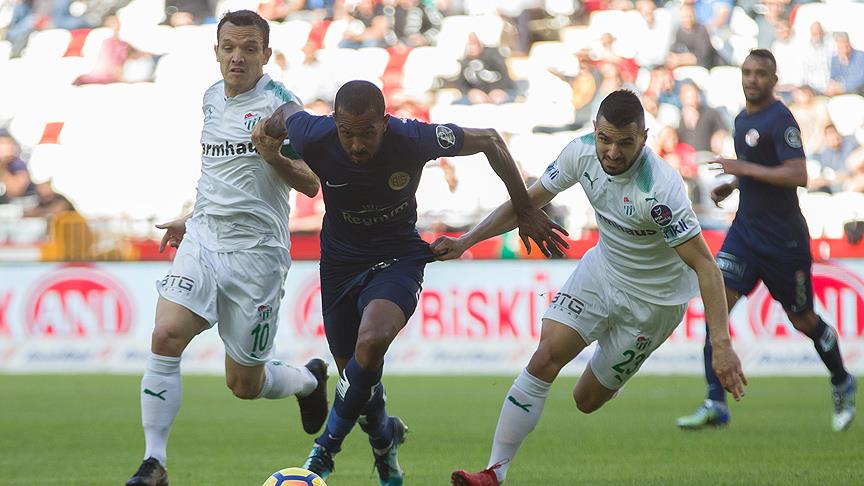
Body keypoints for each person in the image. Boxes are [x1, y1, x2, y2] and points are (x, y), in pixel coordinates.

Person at [252, 79, 565, 485]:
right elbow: (287, 113)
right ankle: (386, 442)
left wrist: (524, 207)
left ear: (384, 123)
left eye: (367, 133)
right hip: (340, 265)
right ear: (335, 124)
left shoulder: (413, 137)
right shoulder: (314, 133)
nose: (357, 145)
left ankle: (324, 451)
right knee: (357, 379)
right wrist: (268, 134)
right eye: (347, 134)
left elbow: (490, 139)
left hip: (398, 257)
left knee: (372, 341)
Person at [439, 90, 747, 486]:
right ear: (594, 130)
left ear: (644, 138)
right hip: (602, 272)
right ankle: (494, 473)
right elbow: (525, 204)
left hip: (653, 304)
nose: (613, 152)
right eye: (605, 139)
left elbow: (706, 266)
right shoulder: (581, 153)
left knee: (586, 400)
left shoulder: (661, 190)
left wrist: (721, 344)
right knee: (545, 355)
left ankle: (614, 365)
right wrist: (466, 240)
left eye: (625, 142)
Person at [125, 10, 330, 486]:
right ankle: (154, 463)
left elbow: (311, 183)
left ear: (266, 54)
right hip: (204, 239)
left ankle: (309, 380)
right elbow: (217, 173)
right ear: (216, 51)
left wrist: (272, 154)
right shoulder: (211, 97)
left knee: (244, 383)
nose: (237, 57)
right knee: (165, 336)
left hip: (257, 255)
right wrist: (191, 216)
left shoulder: (282, 108)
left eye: (249, 49)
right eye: (229, 47)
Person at [676, 49, 857, 432]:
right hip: (745, 232)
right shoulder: (742, 120)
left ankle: (842, 380)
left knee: (803, 319)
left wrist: (742, 168)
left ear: (774, 80)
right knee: (716, 307)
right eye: (747, 72)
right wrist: (733, 184)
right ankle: (715, 401)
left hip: (783, 241)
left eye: (760, 73)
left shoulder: (781, 119)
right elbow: (760, 169)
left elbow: (797, 174)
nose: (752, 79)